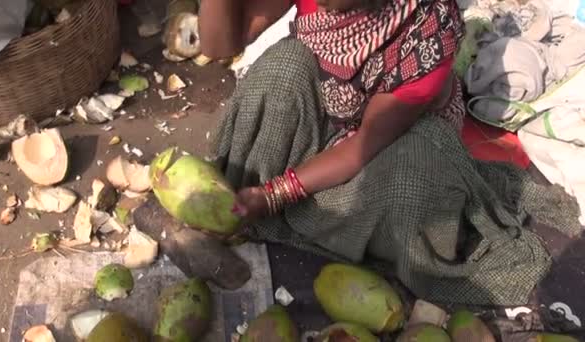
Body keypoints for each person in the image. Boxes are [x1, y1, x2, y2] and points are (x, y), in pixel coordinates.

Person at [199, 0, 581, 306]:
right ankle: (256, 206)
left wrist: (274, 194)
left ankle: (308, 215)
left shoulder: (427, 29)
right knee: (281, 69)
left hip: (390, 141)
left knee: (409, 185)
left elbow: (359, 149)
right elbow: (219, 45)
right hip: (331, 103)